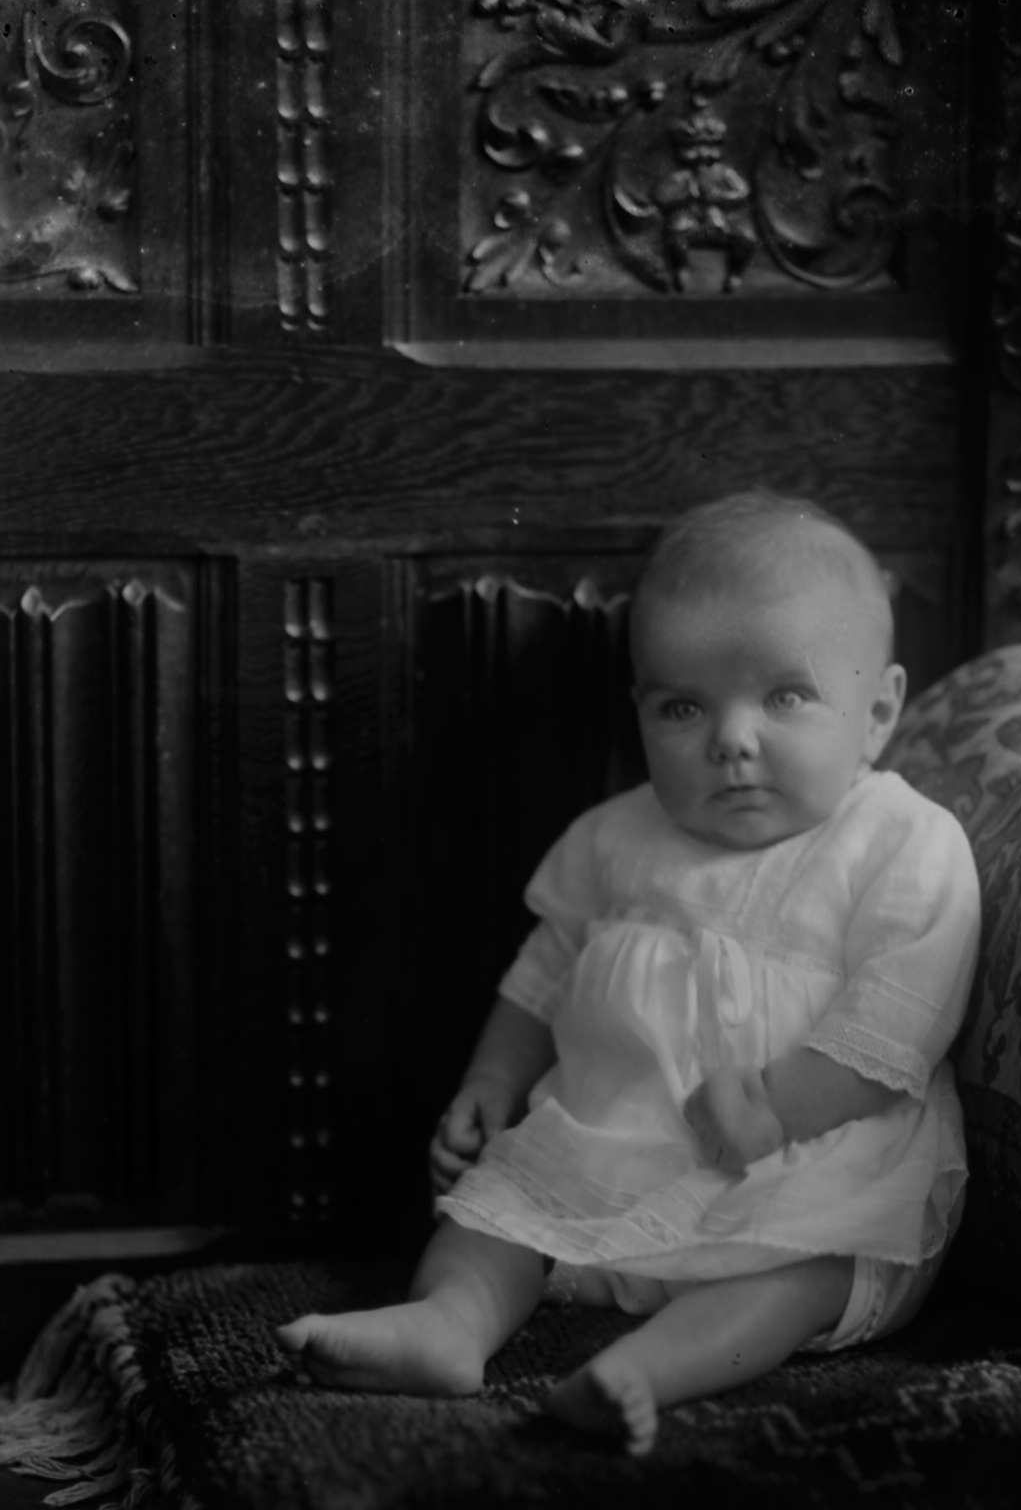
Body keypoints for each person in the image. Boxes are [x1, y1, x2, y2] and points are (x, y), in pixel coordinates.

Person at [278, 491, 981, 1454]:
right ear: (639, 710)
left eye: (785, 696)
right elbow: (542, 974)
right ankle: (448, 1325)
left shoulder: (900, 841)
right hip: (608, 1154)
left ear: (878, 711)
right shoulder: (613, 838)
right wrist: (491, 1080)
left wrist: (778, 1106)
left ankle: (646, 1371)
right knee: (496, 1212)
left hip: (806, 1165)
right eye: (683, 707)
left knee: (797, 1277)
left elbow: (901, 1018)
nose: (731, 739)